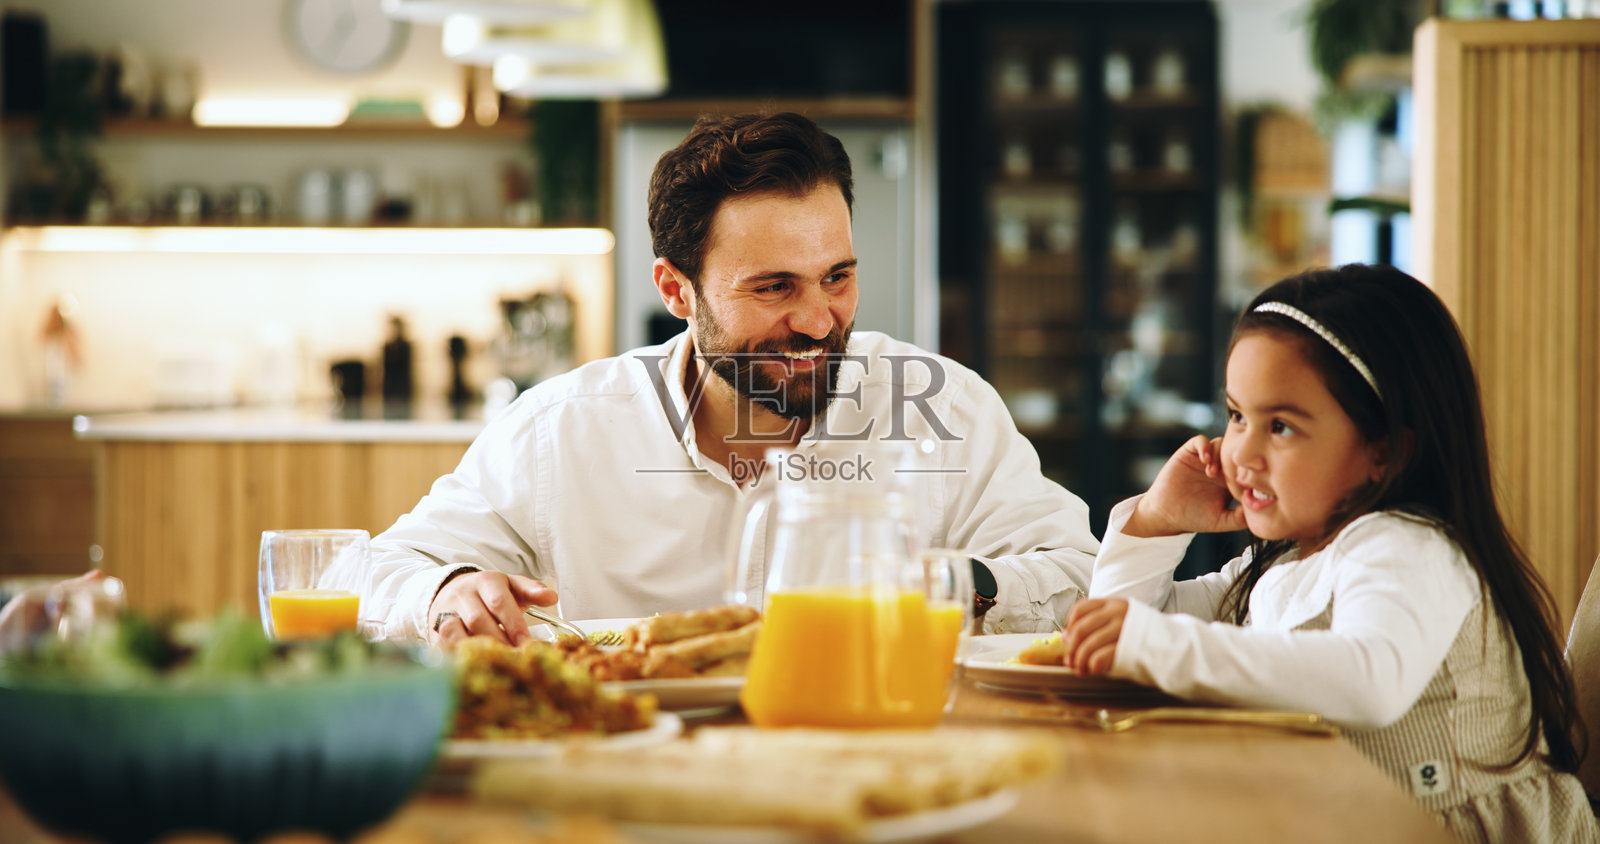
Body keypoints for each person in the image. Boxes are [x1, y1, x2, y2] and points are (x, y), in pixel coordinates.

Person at [367, 112, 1098, 645]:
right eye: (775, 288)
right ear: (676, 290)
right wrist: (449, 590)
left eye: (837, 277)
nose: (818, 320)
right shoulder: (562, 430)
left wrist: (957, 583)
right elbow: (379, 573)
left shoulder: (948, 410)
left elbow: (1080, 579)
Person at [1063, 265, 1596, 841]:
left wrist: (1155, 643)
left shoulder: (1409, 545)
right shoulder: (1287, 562)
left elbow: (1370, 679)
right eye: (1238, 415)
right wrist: (1155, 523)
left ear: (1384, 451)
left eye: (1282, 426)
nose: (1242, 452)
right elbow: (1128, 639)